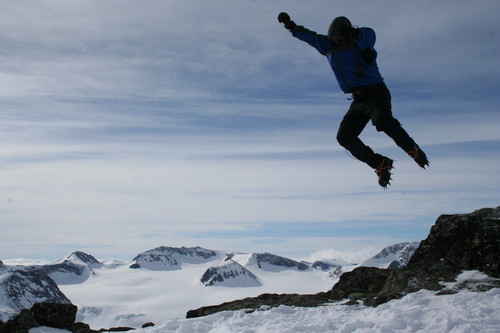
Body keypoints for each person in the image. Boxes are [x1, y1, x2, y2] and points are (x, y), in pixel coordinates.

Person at [277, 13, 429, 189]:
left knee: (382, 121)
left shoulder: (361, 40)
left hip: (376, 92)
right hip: (358, 99)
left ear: (347, 33)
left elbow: (371, 33)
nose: (337, 40)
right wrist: (290, 26)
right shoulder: (328, 46)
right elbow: (310, 37)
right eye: (333, 37)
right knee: (344, 137)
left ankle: (413, 150)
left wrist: (355, 34)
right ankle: (380, 164)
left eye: (339, 36)